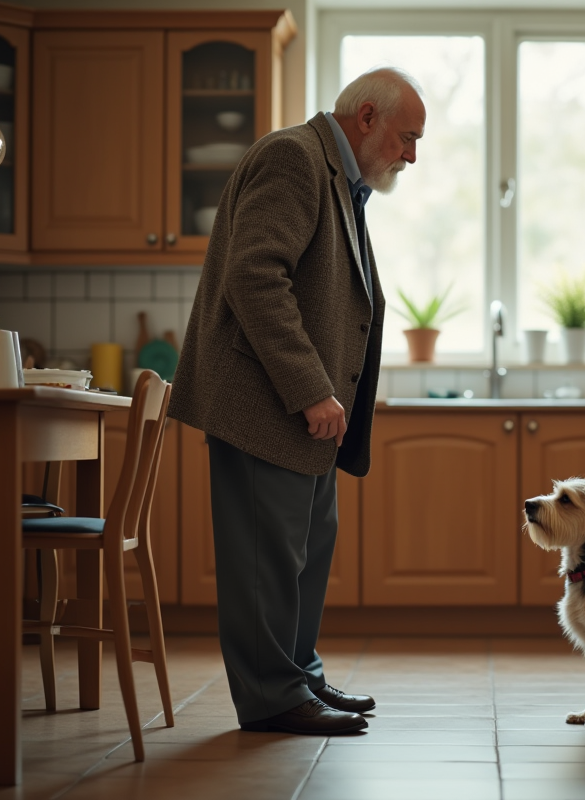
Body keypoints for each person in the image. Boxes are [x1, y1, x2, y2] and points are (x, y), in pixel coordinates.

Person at [169, 68, 426, 735]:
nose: (413, 155)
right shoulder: (293, 157)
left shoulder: (337, 176)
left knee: (303, 551)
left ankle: (298, 676)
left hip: (300, 414)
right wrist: (312, 387)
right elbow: (255, 277)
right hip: (267, 405)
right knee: (266, 557)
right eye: (408, 137)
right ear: (366, 116)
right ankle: (272, 697)